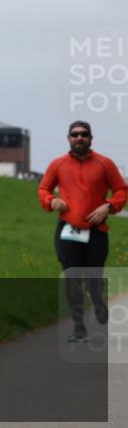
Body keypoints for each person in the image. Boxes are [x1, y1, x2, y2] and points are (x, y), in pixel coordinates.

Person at [38, 121, 127, 341]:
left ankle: (97, 300)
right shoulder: (58, 164)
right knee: (72, 276)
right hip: (68, 230)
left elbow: (121, 190)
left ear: (90, 138)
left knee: (93, 278)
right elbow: (43, 188)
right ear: (68, 138)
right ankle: (79, 327)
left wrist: (108, 206)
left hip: (97, 231)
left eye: (84, 135)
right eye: (75, 135)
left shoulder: (104, 163)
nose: (79, 138)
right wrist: (51, 201)